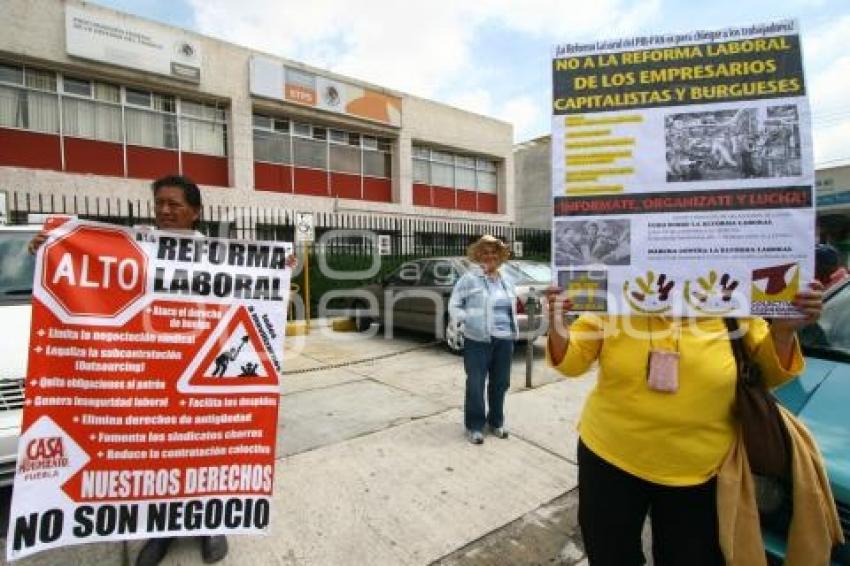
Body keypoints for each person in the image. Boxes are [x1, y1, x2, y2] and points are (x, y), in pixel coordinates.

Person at [29, 175, 297, 566]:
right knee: (158, 454)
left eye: (174, 204)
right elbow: (91, 266)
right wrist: (48, 248)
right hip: (156, 370)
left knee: (208, 449)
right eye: (160, 204)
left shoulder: (219, 254)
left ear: (196, 212)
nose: (166, 211)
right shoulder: (139, 247)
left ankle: (211, 524)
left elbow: (257, 293)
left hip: (205, 372)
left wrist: (278, 268)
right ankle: (162, 530)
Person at [544, 282, 822, 565]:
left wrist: (784, 331)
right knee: (609, 554)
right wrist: (557, 324)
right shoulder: (619, 294)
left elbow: (769, 374)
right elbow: (572, 361)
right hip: (609, 458)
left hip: (700, 471)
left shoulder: (733, 302)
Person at [449, 235, 518, 444]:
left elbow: (511, 307)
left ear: (500, 256)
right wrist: (466, 319)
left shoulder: (507, 279)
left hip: (505, 339)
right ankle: (475, 426)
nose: (490, 256)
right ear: (478, 255)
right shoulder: (470, 279)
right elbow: (454, 303)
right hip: (477, 340)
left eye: (494, 252)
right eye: (485, 252)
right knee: (476, 384)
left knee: (500, 383)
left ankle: (496, 422)